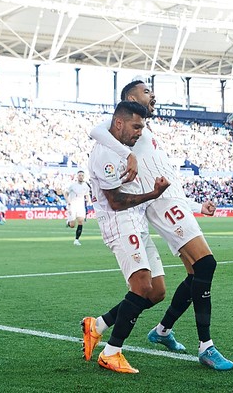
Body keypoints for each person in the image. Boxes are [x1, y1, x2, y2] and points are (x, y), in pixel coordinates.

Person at [90, 80, 233, 371]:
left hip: (172, 202)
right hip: (158, 205)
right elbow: (95, 131)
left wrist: (195, 205)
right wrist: (126, 154)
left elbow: (165, 176)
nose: (152, 95)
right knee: (205, 265)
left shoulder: (142, 129)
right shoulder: (119, 129)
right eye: (146, 92)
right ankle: (205, 346)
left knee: (185, 277)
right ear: (130, 98)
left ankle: (157, 329)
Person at [83, 101, 171, 374]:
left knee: (156, 292)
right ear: (119, 124)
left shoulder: (123, 147)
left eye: (142, 127)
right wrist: (152, 195)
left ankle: (96, 326)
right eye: (136, 127)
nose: (139, 133)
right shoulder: (105, 154)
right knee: (141, 287)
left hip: (137, 222)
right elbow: (116, 201)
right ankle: (112, 352)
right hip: (119, 223)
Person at [64, 170, 91, 246]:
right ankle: (68, 222)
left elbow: (87, 194)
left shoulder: (85, 186)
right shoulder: (72, 185)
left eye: (82, 175)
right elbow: (65, 193)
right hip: (72, 205)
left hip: (80, 206)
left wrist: (89, 200)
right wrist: (68, 201)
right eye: (79, 175)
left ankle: (76, 240)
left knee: (81, 221)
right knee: (72, 225)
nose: (81, 177)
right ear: (77, 176)